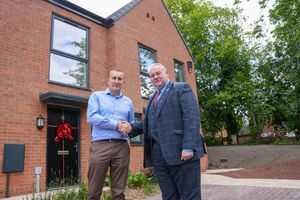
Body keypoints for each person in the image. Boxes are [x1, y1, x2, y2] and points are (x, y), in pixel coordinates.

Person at [129, 63, 205, 200]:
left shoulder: (181, 89)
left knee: (190, 196)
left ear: (167, 73)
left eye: (158, 73)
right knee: (169, 196)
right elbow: (148, 123)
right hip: (159, 158)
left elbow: (192, 118)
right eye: (152, 75)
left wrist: (188, 146)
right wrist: (130, 128)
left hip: (182, 154)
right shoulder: (152, 98)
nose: (155, 77)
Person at [87, 69, 133, 200]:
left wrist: (129, 127)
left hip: (122, 147)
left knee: (119, 191)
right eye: (114, 78)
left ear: (123, 82)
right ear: (108, 80)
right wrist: (117, 124)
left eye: (120, 79)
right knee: (94, 189)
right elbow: (92, 117)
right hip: (100, 146)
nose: (116, 81)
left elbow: (131, 123)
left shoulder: (128, 102)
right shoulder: (96, 96)